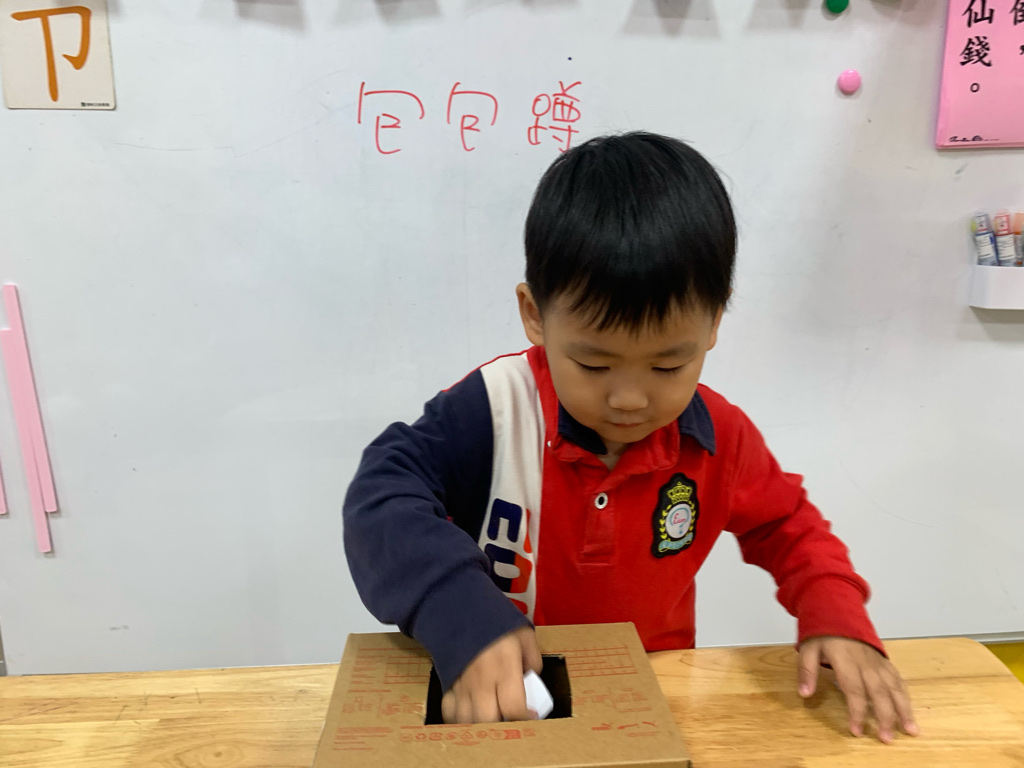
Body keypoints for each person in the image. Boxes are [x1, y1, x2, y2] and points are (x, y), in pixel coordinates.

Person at [343, 132, 917, 743]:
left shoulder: (720, 436)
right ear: (535, 314)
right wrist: (458, 612)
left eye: (668, 365)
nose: (630, 399)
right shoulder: (493, 409)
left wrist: (834, 609)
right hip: (507, 701)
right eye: (593, 364)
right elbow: (380, 498)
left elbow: (788, 525)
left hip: (653, 697)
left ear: (715, 322)